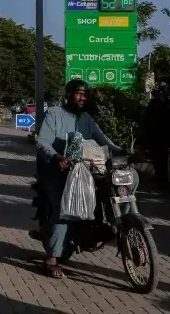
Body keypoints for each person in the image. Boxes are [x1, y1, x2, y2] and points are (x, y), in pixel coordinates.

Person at [35, 79, 135, 279]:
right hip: (55, 171)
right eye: (79, 93)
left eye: (85, 95)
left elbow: (104, 141)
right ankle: (51, 259)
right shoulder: (54, 113)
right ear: (69, 94)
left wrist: (126, 152)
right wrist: (57, 157)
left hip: (84, 172)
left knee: (113, 189)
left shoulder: (87, 119)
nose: (82, 98)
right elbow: (42, 141)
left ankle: (110, 227)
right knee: (63, 207)